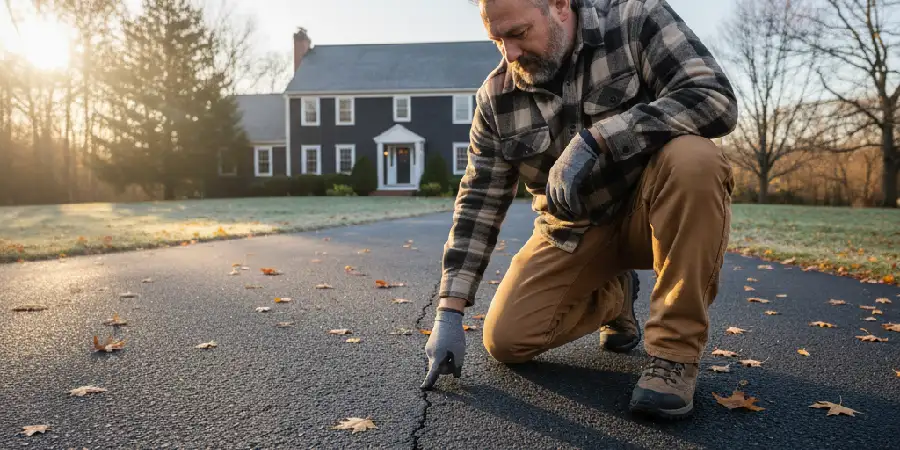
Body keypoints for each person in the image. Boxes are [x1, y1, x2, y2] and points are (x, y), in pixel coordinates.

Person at [420, 0, 737, 421]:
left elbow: (713, 98)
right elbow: (479, 201)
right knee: (506, 341)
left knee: (696, 158)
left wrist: (600, 139)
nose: (509, 54)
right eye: (497, 39)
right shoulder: (496, 99)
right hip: (573, 230)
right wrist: (449, 311)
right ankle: (614, 295)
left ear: (559, 6)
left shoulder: (635, 20)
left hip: (656, 212)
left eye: (517, 33)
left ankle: (674, 356)